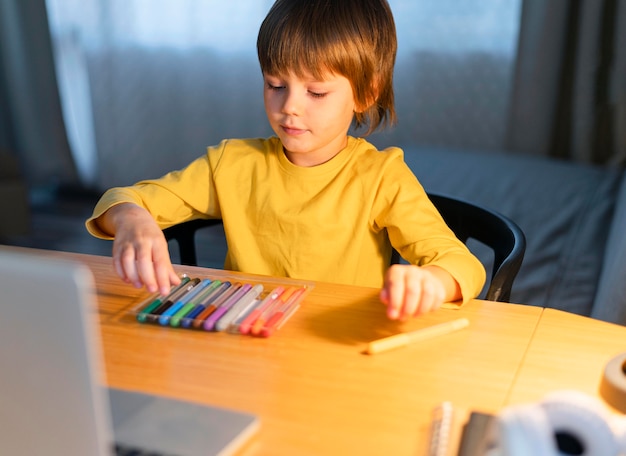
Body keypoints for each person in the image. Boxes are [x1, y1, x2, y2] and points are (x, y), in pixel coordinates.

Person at [86, 0, 486, 321]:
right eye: (276, 84)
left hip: (334, 349)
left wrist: (432, 283)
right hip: (246, 340)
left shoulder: (380, 177)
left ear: (366, 93)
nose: (289, 107)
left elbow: (461, 264)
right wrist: (131, 219)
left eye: (316, 92)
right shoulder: (233, 164)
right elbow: (120, 201)